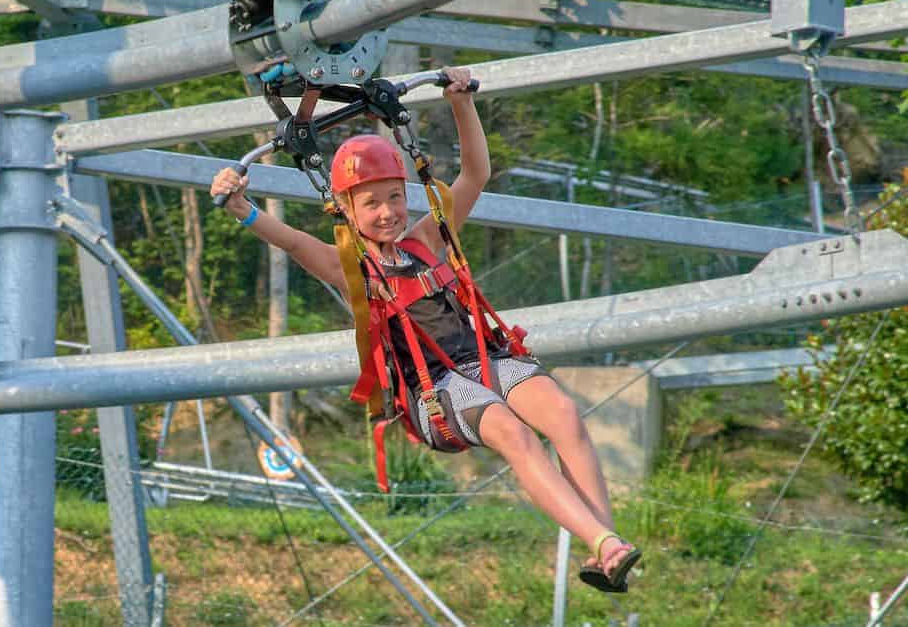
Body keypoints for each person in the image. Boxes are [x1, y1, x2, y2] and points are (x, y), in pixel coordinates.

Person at [211, 67, 641, 593]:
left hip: (486, 359)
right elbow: (294, 242)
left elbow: (475, 176)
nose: (389, 212)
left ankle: (605, 546)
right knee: (513, 432)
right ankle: (603, 542)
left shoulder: (426, 240)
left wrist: (461, 103)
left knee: (564, 414)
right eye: (372, 203)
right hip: (433, 389)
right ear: (345, 208)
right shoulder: (352, 269)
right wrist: (240, 208)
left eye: (395, 197)